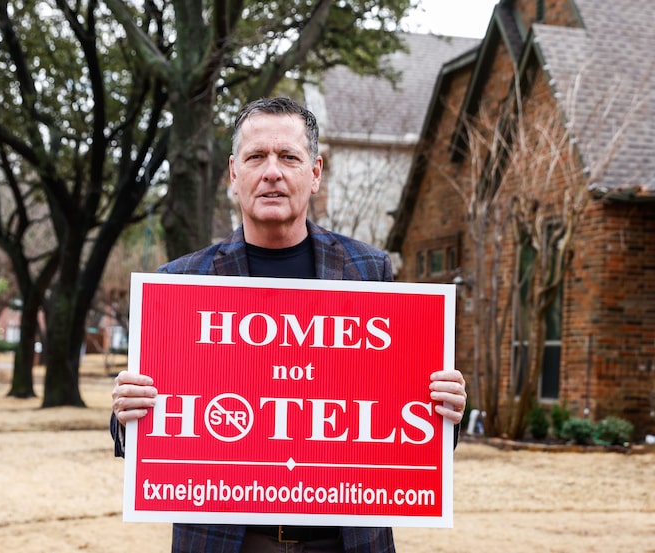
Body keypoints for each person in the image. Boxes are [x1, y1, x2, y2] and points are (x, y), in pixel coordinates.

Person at [111, 97, 467, 553]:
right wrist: (127, 411)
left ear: (315, 173)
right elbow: (144, 438)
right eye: (256, 157)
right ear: (234, 174)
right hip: (228, 541)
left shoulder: (369, 269)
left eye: (289, 157)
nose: (272, 171)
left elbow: (402, 424)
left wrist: (447, 409)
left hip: (343, 541)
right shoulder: (180, 283)